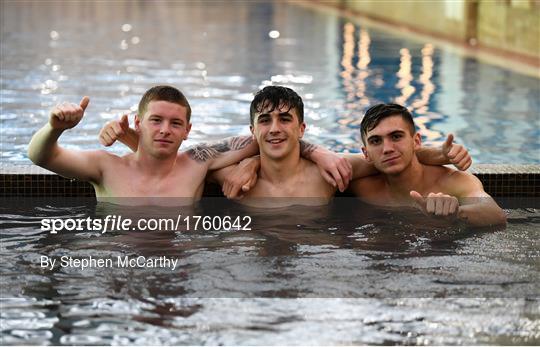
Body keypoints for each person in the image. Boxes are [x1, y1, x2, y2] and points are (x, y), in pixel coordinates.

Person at [28, 85, 258, 205]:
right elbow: (41, 156)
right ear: (138, 122)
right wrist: (55, 128)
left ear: (187, 130)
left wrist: (254, 163)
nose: (165, 129)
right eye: (156, 120)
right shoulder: (106, 167)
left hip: (178, 274)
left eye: (176, 123)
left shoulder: (198, 161)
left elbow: (267, 139)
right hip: (121, 269)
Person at [348, 103, 506, 226]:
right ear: (366, 153)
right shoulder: (364, 187)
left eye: (396, 137)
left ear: (416, 141)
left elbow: (494, 214)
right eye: (376, 141)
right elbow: (328, 167)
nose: (388, 149)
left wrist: (456, 213)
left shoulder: (453, 181)